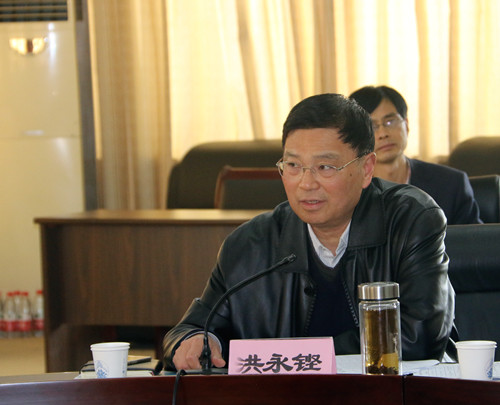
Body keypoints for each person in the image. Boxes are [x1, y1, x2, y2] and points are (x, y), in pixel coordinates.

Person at [163, 93, 455, 371]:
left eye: (325, 167)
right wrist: (194, 341)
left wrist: (298, 358)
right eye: (293, 165)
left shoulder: (411, 220)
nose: (306, 183)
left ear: (367, 169)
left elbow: (417, 338)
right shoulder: (250, 244)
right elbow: (190, 329)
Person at [349, 85, 482, 225]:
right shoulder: (347, 190)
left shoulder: (451, 184)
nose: (383, 133)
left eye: (390, 122)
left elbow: (474, 238)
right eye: (371, 127)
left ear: (406, 125)